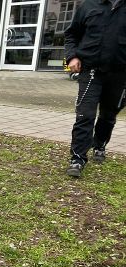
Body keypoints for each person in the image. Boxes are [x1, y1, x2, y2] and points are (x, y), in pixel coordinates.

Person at [64, 0, 126, 177]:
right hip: (90, 71)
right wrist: (72, 57)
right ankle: (77, 158)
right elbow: (72, 35)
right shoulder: (88, 6)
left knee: (108, 115)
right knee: (85, 115)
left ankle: (99, 145)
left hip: (120, 74)